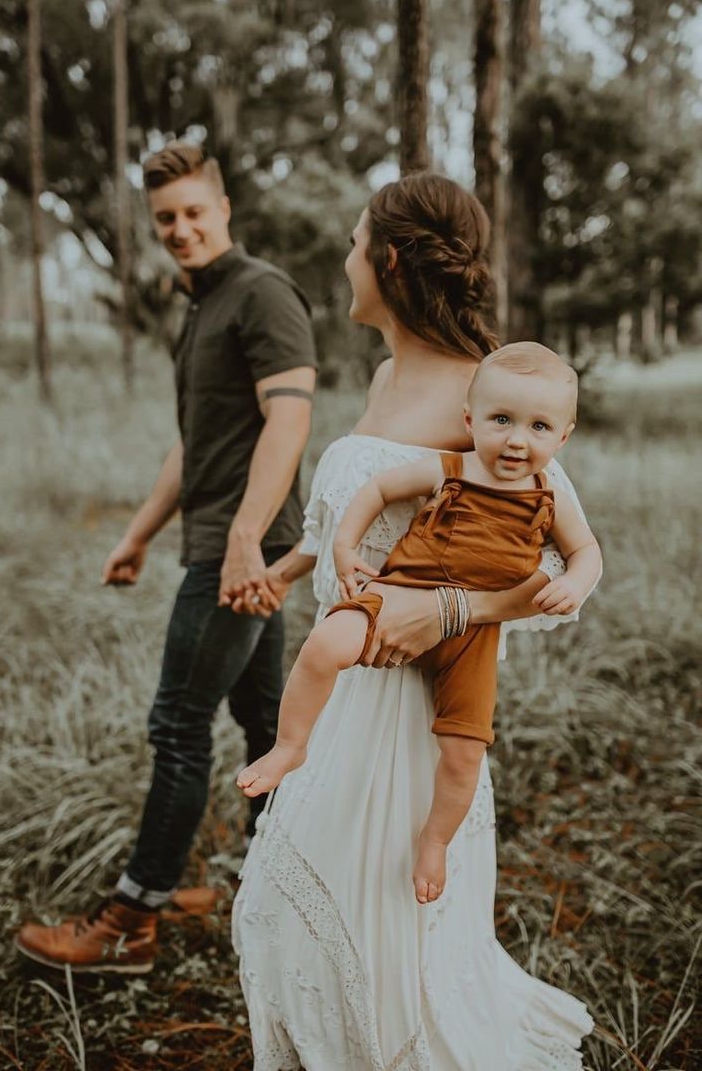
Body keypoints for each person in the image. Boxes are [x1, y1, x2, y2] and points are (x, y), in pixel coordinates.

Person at [231, 172, 596, 1068]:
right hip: (343, 679)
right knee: (287, 904)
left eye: (356, 243)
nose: (346, 260)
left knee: (390, 909)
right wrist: (294, 563)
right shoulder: (389, 373)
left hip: (417, 708)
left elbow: (556, 564)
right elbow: (369, 502)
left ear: (388, 258)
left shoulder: (495, 395)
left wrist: (446, 611)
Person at [14, 143, 317, 973]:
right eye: (166, 220)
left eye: (194, 212)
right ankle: (279, 886)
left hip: (240, 547)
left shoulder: (262, 294)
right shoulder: (200, 306)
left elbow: (288, 421)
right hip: (228, 538)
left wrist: (247, 539)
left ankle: (132, 920)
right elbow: (195, 446)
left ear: (224, 209)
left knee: (178, 726)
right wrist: (140, 535)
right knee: (263, 725)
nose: (180, 230)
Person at [237, 343, 602, 905]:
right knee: (324, 643)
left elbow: (587, 552)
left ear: (563, 436)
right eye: (501, 420)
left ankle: (434, 841)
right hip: (398, 594)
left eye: (538, 426)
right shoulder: (454, 468)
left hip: (471, 639)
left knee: (463, 753)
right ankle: (290, 745)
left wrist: (575, 583)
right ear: (469, 421)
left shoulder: (548, 493)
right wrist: (344, 541)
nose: (516, 439)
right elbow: (379, 489)